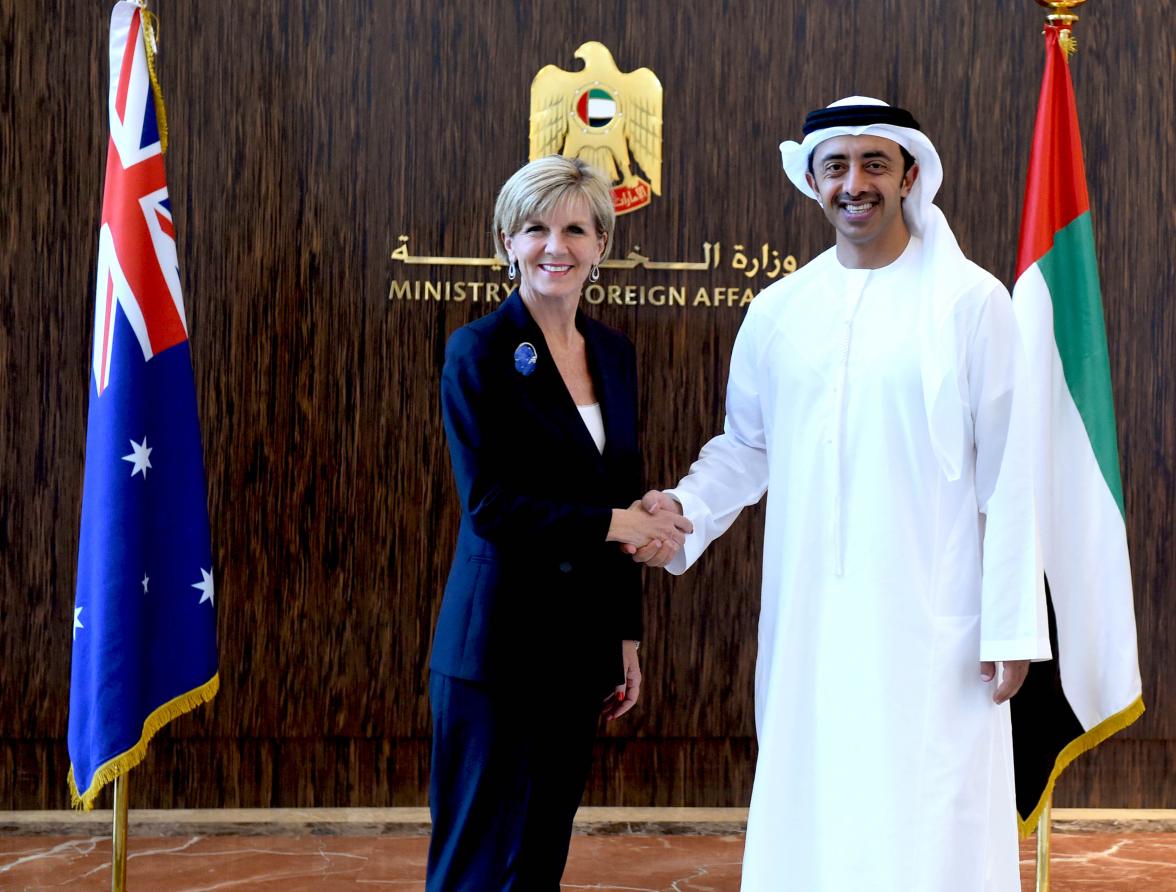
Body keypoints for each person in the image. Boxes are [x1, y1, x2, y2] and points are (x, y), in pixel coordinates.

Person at [628, 98, 1051, 891]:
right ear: (814, 182)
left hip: (935, 624)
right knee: (815, 802)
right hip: (811, 621)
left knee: (930, 814)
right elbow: (748, 445)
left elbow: (1011, 472)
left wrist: (1012, 622)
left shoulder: (971, 302)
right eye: (837, 167)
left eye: (874, 165)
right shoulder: (780, 310)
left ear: (910, 175)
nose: (854, 184)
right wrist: (684, 510)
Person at [427, 154, 693, 891]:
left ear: (602, 244)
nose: (557, 245)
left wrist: (627, 636)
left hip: (579, 649)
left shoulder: (612, 353)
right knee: (475, 859)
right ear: (508, 241)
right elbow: (492, 507)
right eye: (537, 227)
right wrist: (621, 525)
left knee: (541, 851)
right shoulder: (476, 350)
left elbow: (624, 491)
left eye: (576, 228)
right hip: (496, 651)